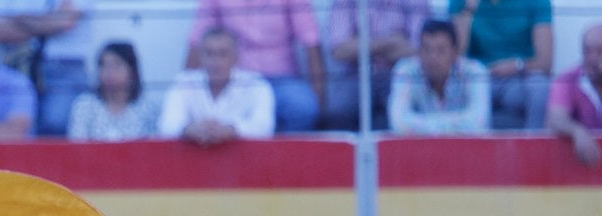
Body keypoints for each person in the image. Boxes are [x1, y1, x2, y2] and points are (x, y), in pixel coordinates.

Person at [184, 0, 323, 132]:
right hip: (236, 83)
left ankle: (291, 156)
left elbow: (311, 43)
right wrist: (185, 92)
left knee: (303, 107)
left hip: (281, 80)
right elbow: (198, 41)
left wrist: (322, 108)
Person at [0, 0, 90, 136]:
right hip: (19, 65)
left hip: (64, 68)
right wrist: (47, 23)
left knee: (56, 127)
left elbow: (65, 21)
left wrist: (18, 19)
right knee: (19, 128)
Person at [160, 25, 275, 144]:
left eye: (223, 54)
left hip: (244, 160)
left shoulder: (256, 84)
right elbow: (167, 125)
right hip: (192, 158)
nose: (216, 61)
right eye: (210, 54)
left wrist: (231, 130)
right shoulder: (184, 82)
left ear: (236, 57)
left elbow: (264, 127)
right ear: (200, 56)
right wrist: (189, 129)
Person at [324, 0, 428, 130]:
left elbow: (421, 49)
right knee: (338, 111)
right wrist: (389, 43)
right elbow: (339, 50)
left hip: (398, 74)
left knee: (400, 117)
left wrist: (362, 46)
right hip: (356, 75)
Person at [448, 0, 551, 129]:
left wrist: (516, 66)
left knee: (541, 87)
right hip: (475, 79)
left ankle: (535, 147)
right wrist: (469, 9)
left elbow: (545, 61)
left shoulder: (537, 2)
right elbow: (454, 56)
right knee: (451, 86)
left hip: (517, 80)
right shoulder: (460, 2)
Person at [388, 18, 490, 134]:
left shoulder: (474, 71)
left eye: (440, 50)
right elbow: (398, 123)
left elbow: (478, 122)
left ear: (455, 53)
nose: (432, 57)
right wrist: (454, 126)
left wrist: (423, 126)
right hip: (419, 149)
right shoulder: (405, 70)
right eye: (426, 49)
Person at [545, 23, 602, 167]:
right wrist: (578, 132)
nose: (592, 58)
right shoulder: (567, 79)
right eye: (587, 51)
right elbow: (555, 118)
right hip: (576, 173)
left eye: (600, 51)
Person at [67, 40, 160, 141]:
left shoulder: (147, 108)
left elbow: (153, 146)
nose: (108, 72)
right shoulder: (85, 105)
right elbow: (76, 146)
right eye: (103, 65)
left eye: (116, 65)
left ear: (132, 71)